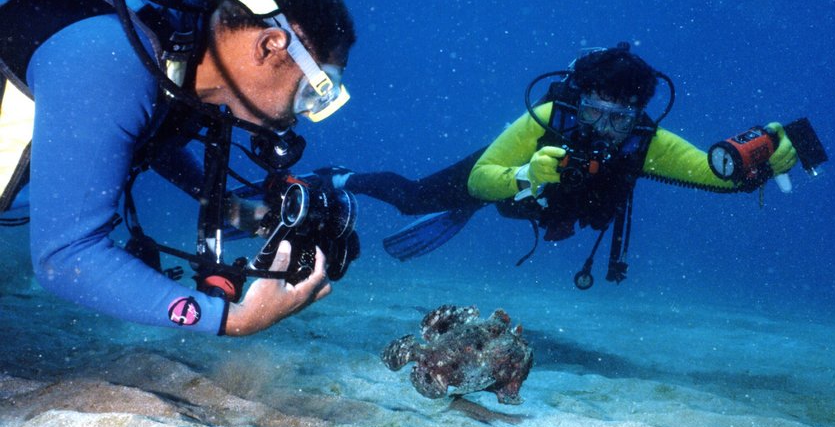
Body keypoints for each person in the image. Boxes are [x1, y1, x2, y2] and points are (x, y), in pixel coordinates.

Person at [0, 0, 357, 335]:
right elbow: (66, 257)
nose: (303, 115)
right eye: (313, 92)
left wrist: (230, 208)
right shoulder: (113, 56)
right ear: (269, 46)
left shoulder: (182, 40)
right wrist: (235, 320)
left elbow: (143, 133)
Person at [320, 43, 797, 286]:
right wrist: (525, 173)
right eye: (593, 111)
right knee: (414, 199)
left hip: (551, 209)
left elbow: (717, 174)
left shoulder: (645, 143)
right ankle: (343, 177)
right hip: (514, 181)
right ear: (578, 102)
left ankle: (466, 208)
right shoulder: (549, 117)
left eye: (619, 118)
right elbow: (481, 178)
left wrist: (767, 155)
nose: (603, 127)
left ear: (637, 115)